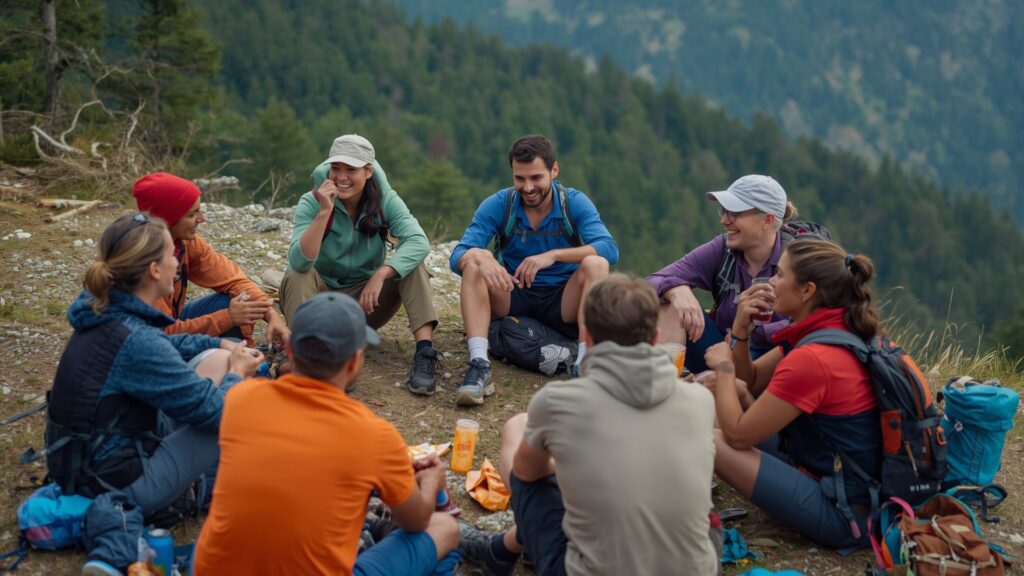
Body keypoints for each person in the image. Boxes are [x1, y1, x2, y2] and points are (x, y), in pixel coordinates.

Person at [459, 274, 718, 576]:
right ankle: (503, 549)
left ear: (588, 336)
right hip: (697, 568)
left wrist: (574, 461)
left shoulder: (559, 401)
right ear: (655, 338)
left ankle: (510, 548)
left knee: (519, 429)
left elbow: (528, 475)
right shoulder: (700, 401)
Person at [193, 293, 460, 576]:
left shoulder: (241, 399)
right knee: (446, 529)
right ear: (355, 362)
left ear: (292, 351)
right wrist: (429, 483)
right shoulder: (375, 436)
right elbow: (415, 521)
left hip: (213, 569)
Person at [45, 213, 263, 517]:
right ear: (154, 269)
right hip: (113, 483)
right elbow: (218, 411)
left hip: (87, 458)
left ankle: (215, 472)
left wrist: (218, 343)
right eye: (171, 254)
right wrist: (238, 374)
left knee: (217, 359)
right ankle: (199, 489)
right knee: (237, 409)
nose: (177, 261)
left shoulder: (106, 308)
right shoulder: (135, 340)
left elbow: (165, 345)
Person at [703, 239, 885, 549]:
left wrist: (723, 368)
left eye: (780, 275)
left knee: (707, 439)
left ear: (807, 291)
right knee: (737, 390)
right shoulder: (833, 329)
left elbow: (735, 435)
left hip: (844, 514)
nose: (770, 282)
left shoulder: (813, 358)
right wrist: (741, 330)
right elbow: (755, 379)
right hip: (843, 480)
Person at [449, 134, 618, 406]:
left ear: (554, 170)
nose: (528, 187)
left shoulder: (573, 203)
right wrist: (479, 256)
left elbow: (609, 249)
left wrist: (553, 255)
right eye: (520, 179)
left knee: (596, 263)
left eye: (536, 178)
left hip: (562, 300)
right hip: (513, 293)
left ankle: (585, 363)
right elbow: (456, 254)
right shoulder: (500, 204)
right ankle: (479, 364)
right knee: (474, 264)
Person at [280, 134, 440, 396]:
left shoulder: (385, 200)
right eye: (336, 168)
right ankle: (304, 357)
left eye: (351, 169)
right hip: (319, 301)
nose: (341, 177)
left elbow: (419, 241)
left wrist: (382, 273)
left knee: (413, 266)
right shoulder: (311, 201)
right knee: (298, 275)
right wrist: (323, 212)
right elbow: (298, 260)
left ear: (368, 172)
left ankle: (425, 354)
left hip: (365, 302)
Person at [647, 174, 797, 373]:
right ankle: (662, 392)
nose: (724, 220)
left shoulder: (799, 259)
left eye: (734, 213)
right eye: (724, 211)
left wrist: (746, 334)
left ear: (767, 220)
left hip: (775, 363)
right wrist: (676, 291)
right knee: (670, 306)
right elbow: (649, 284)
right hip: (719, 353)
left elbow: (818, 321)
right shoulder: (722, 249)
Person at [132, 172, 290, 347]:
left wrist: (271, 314)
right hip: (150, 342)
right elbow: (162, 335)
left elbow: (232, 278)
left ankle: (241, 354)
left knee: (239, 300)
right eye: (192, 214)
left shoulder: (184, 242)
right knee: (231, 314)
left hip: (172, 321)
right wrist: (228, 317)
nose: (202, 218)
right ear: (168, 219)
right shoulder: (143, 265)